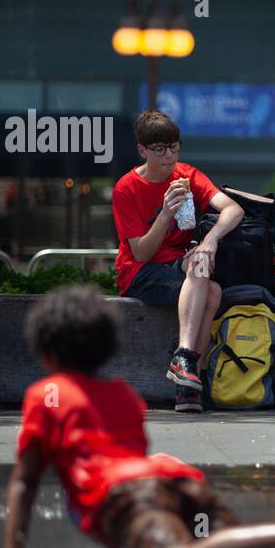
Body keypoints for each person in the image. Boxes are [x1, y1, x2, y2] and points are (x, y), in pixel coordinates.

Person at [0, 286, 275, 548]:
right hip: (176, 481)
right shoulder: (123, 394)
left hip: (127, 498)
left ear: (46, 350)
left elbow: (24, 484)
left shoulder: (46, 394)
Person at [112, 110, 244, 414]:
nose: (169, 155)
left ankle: (184, 363)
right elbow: (141, 253)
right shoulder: (126, 188)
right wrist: (165, 214)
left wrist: (210, 240)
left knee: (202, 266)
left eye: (174, 146)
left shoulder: (186, 175)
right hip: (139, 272)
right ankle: (188, 381)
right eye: (160, 149)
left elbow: (233, 210)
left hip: (179, 264)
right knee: (212, 292)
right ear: (142, 150)